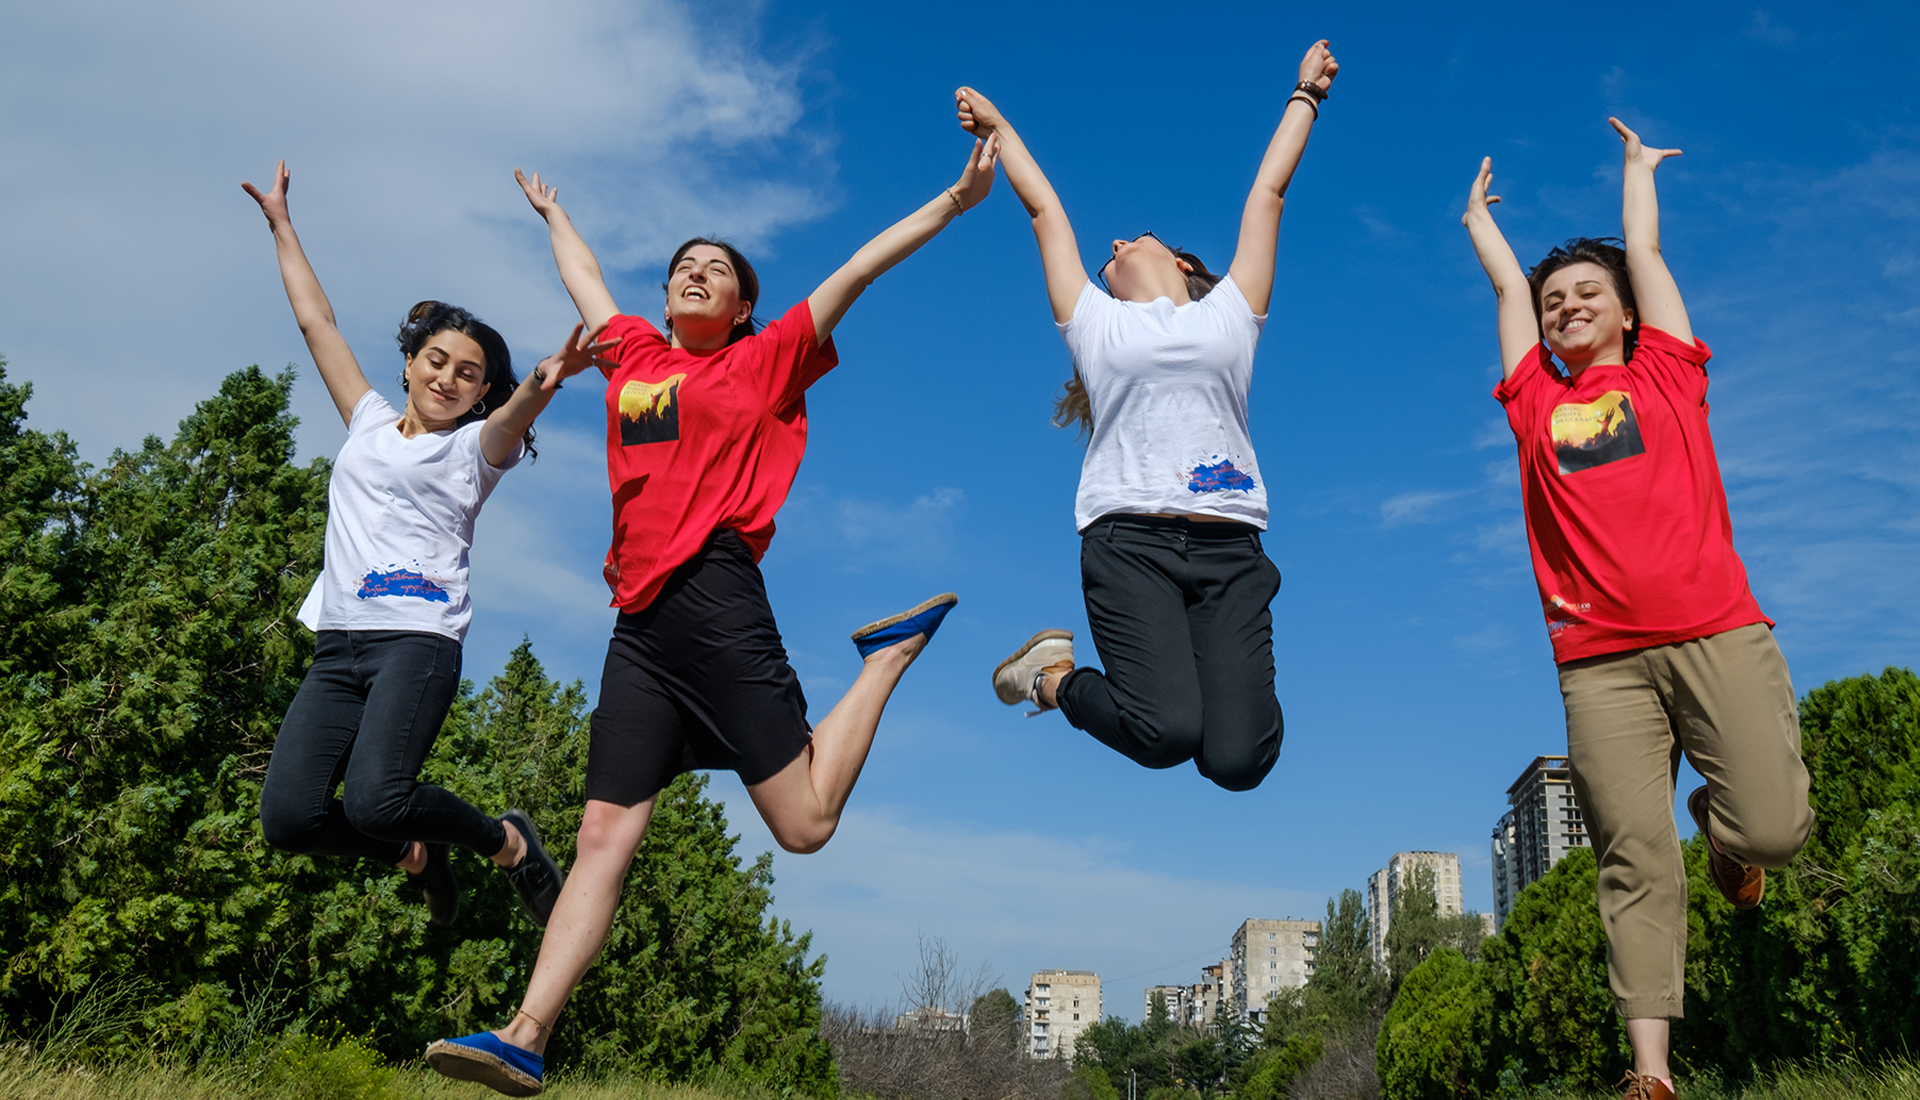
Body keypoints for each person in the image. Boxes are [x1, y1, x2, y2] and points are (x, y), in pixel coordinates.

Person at [423, 133, 999, 1095]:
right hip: (640, 626)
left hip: (718, 596)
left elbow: (858, 267)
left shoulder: (766, 360)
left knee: (806, 826)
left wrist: (955, 198)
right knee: (603, 834)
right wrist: (554, 214)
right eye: (683, 267)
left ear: (741, 307)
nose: (695, 274)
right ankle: (525, 1034)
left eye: (716, 271)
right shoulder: (634, 354)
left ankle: (885, 659)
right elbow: (586, 284)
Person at [1461, 122, 1813, 1100]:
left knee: (1774, 829)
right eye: (1553, 300)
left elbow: (1646, 253)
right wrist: (1482, 228)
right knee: (1632, 851)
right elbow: (1504, 293)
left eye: (1587, 294)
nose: (1566, 306)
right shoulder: (1535, 399)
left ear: (1623, 313)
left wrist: (1635, 176)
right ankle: (1651, 1070)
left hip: (1717, 629)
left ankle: (1727, 830)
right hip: (1599, 661)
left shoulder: (1669, 373)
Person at [958, 41, 1337, 792]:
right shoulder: (1096, 325)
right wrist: (999, 126)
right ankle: (1051, 680)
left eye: (1131, 237)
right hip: (1129, 538)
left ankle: (1227, 688)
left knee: (1237, 760)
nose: (1116, 244)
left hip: (1232, 549)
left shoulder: (1234, 313)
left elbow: (1269, 193)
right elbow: (1044, 211)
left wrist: (1307, 95)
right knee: (1164, 733)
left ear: (1187, 264)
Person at [244, 163, 613, 929]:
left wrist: (545, 379)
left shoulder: (478, 448)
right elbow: (318, 324)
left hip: (417, 640)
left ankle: (506, 842)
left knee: (378, 796)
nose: (449, 378)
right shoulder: (369, 421)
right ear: (411, 363)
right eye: (438, 362)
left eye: (469, 374)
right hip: (338, 644)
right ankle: (418, 854)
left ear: (483, 391)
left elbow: (517, 414)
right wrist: (282, 224)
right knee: (290, 820)